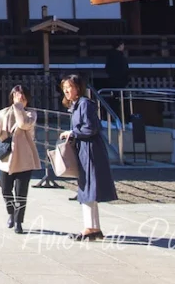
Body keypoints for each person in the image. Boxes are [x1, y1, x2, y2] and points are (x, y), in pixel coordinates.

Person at [61, 74, 117, 241]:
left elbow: (91, 128)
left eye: (69, 87)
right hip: (85, 147)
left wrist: (72, 133)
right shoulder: (77, 105)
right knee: (87, 188)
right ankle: (93, 227)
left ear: (78, 88)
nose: (66, 90)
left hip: (90, 149)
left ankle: (90, 227)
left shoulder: (85, 104)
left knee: (88, 188)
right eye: (64, 87)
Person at [0, 85, 40, 234]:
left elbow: (24, 124)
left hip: (24, 158)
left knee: (21, 192)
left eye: (23, 96)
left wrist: (19, 107)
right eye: (17, 96)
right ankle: (11, 212)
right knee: (5, 188)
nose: (20, 98)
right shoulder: (3, 113)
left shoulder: (30, 113)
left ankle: (18, 221)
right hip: (7, 158)